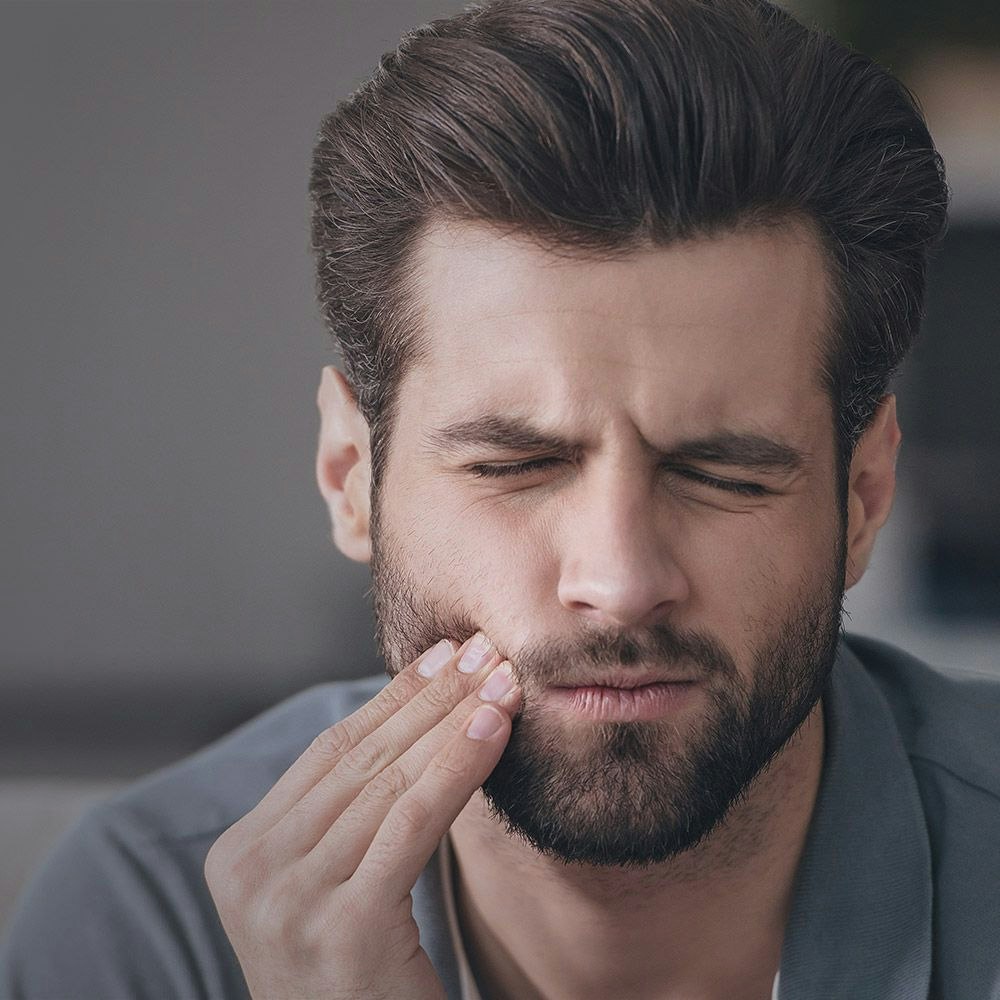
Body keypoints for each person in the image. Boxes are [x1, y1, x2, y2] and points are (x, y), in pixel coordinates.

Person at [3, 0, 999, 997]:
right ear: (350, 477)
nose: (619, 581)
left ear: (864, 495)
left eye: (721, 473)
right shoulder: (144, 928)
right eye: (513, 465)